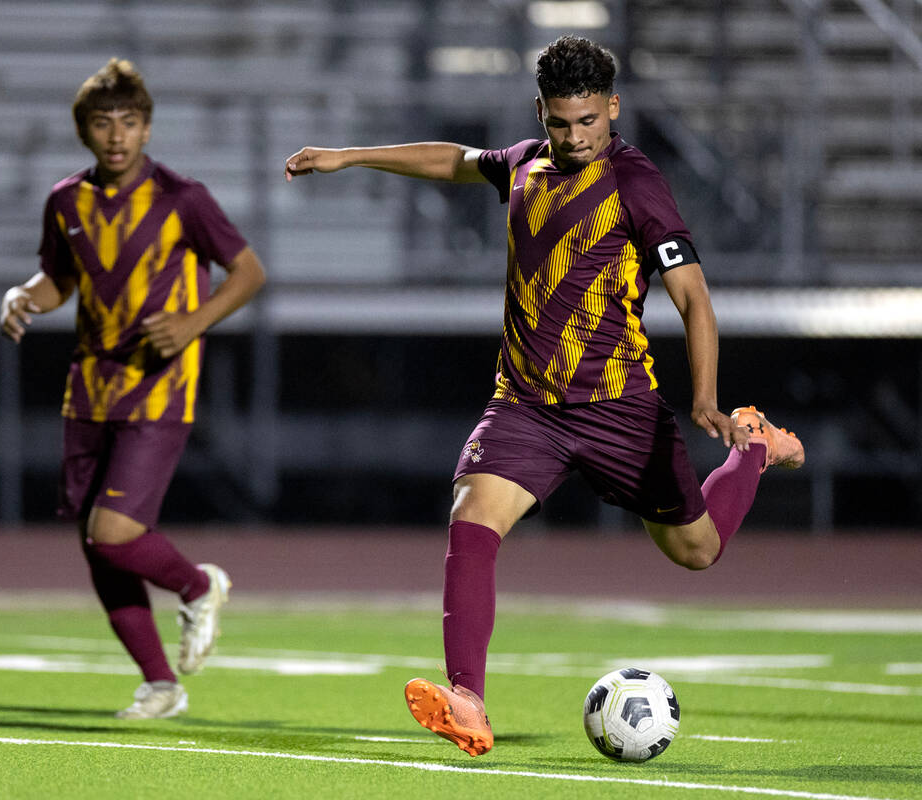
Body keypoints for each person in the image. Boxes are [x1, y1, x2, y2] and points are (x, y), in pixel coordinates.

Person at [285, 34, 804, 757]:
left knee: (697, 550)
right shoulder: (527, 164)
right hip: (526, 404)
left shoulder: (636, 182)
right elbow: (454, 161)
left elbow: (693, 296)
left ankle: (752, 446)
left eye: (588, 122)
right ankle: (467, 698)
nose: (574, 137)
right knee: (472, 518)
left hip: (619, 407)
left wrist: (710, 398)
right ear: (541, 113)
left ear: (612, 109)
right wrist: (350, 156)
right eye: (560, 123)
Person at [0, 59, 266, 719]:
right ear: (84, 132)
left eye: (128, 122)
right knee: (95, 542)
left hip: (159, 389)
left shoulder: (184, 197)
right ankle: (160, 684)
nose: (116, 135)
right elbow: (58, 280)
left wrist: (193, 322)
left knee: (115, 531)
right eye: (101, 123)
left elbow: (248, 271)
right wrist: (23, 296)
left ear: (147, 128)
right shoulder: (67, 201)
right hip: (88, 388)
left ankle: (199, 584)